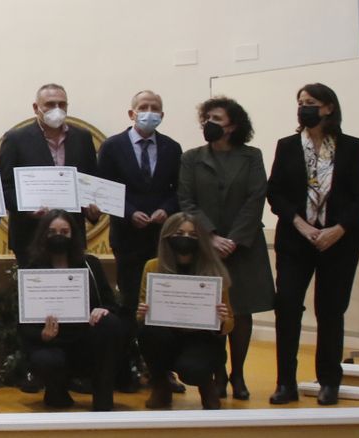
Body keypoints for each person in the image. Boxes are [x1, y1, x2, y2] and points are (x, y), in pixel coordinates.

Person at [268, 83, 359, 406]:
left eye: (311, 102)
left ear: (328, 107)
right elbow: (275, 194)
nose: (304, 107)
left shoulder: (350, 146)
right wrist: (299, 224)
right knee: (287, 308)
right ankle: (286, 383)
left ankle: (329, 381)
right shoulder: (287, 146)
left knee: (330, 311)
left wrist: (337, 230)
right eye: (300, 102)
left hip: (339, 241)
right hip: (295, 240)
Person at [177, 96, 273, 400]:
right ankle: (217, 374)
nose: (209, 124)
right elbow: (186, 200)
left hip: (244, 245)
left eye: (216, 119)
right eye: (207, 118)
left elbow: (256, 198)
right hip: (205, 245)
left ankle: (238, 375)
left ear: (232, 125)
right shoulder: (191, 157)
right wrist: (212, 236)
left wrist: (233, 238)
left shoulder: (252, 155)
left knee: (241, 311)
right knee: (211, 311)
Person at [96, 90, 182, 389]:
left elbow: (177, 191)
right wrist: (130, 213)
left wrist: (165, 210)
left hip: (163, 239)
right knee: (132, 304)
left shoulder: (172, 148)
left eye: (155, 108)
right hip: (128, 237)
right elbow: (104, 189)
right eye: (143, 107)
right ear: (131, 113)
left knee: (163, 304)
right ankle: (130, 365)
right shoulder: (112, 147)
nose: (149, 112)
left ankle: (162, 370)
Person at [16, 210, 126, 411]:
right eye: (52, 232)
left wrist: (103, 310)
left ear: (73, 235)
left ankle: (102, 400)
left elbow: (112, 305)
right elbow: (23, 325)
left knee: (110, 324)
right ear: (43, 235)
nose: (59, 236)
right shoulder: (32, 270)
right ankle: (57, 392)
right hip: (52, 345)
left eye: (64, 231)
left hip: (85, 340)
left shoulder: (90, 264)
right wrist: (42, 335)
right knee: (46, 360)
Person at [0, 83, 101, 266]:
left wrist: (92, 209)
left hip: (71, 236)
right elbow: (3, 187)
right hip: (29, 236)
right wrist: (26, 209)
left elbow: (91, 181)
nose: (57, 110)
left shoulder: (83, 138)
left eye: (62, 104)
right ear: (36, 108)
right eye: (50, 104)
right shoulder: (15, 139)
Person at [137, 213, 234, 410]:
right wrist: (142, 313)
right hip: (166, 336)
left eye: (192, 234)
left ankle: (207, 385)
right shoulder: (153, 266)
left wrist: (223, 319)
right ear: (167, 236)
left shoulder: (212, 269)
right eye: (179, 233)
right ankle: (161, 386)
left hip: (202, 339)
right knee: (147, 332)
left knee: (193, 370)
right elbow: (139, 316)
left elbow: (230, 322)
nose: (186, 238)